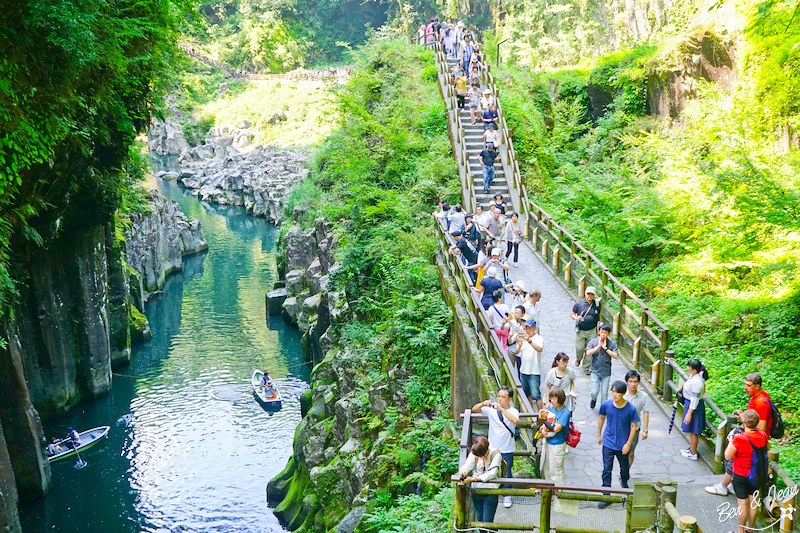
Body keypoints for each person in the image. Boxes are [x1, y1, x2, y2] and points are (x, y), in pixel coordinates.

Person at [705, 372, 773, 496]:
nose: (745, 387)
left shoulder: (761, 403)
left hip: (753, 439)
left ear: (757, 386)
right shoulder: (756, 397)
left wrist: (744, 420)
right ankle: (730, 484)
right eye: (745, 384)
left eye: (748, 385)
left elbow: (761, 427)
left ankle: (723, 486)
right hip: (751, 437)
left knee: (734, 460)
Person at [473, 387, 520, 509]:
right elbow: (475, 409)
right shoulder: (491, 410)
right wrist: (483, 403)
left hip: (507, 448)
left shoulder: (513, 411)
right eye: (499, 396)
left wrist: (502, 410)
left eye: (503, 397)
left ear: (509, 399)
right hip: (492, 448)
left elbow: (515, 420)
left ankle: (507, 495)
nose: (500, 399)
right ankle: (492, 493)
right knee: (491, 470)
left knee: (507, 472)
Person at [597, 381, 640, 508]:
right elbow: (601, 418)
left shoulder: (630, 409)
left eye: (618, 392)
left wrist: (628, 444)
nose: (615, 394)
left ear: (624, 394)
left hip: (622, 443)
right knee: (606, 469)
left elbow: (634, 426)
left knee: (624, 467)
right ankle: (606, 494)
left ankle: (624, 481)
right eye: (613, 391)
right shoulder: (606, 405)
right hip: (608, 442)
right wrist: (599, 434)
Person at [725, 409, 768, 533]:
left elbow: (728, 456)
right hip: (756, 474)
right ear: (757, 422)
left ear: (744, 421)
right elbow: (766, 448)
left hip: (740, 473)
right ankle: (750, 530)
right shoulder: (763, 435)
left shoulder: (739, 439)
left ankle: (740, 531)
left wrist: (731, 442)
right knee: (753, 502)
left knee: (742, 503)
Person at [458, 436, 502, 529]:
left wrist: (473, 479)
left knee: (487, 520)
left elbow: (492, 473)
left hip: (491, 490)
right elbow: (467, 466)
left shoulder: (495, 454)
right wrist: (463, 470)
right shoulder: (476, 452)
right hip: (476, 489)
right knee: (479, 518)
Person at [676, 359, 707, 461]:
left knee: (694, 430)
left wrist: (689, 413)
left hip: (694, 407)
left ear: (694, 370)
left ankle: (693, 453)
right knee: (691, 430)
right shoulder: (693, 376)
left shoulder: (698, 382)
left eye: (689, 366)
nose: (687, 367)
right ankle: (691, 449)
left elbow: (694, 400)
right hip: (690, 404)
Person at [540, 387, 571, 485]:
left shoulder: (565, 413)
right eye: (551, 398)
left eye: (554, 399)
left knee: (556, 470)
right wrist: (542, 430)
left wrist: (544, 421)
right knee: (548, 468)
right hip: (548, 442)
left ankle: (559, 491)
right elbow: (547, 424)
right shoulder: (553, 408)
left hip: (558, 444)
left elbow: (556, 428)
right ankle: (550, 491)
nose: (552, 401)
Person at [587, 324, 618, 408]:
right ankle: (593, 399)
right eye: (602, 332)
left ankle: (603, 409)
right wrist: (598, 346)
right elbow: (588, 353)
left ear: (608, 333)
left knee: (604, 392)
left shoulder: (612, 343)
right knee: (594, 391)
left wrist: (605, 348)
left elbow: (615, 355)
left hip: (606, 371)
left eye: (605, 332)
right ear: (599, 332)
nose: (603, 334)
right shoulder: (593, 341)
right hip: (595, 370)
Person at [571, 286, 601, 373]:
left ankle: (586, 367)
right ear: (585, 293)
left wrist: (599, 328)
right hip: (581, 330)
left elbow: (599, 316)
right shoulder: (579, 303)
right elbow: (572, 313)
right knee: (580, 348)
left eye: (592, 294)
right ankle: (578, 358)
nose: (590, 296)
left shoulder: (597, 304)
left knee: (590, 349)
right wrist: (576, 318)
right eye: (588, 294)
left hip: (592, 330)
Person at [623, 370, 649, 467]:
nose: (633, 384)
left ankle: (626, 470)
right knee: (622, 451)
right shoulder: (622, 395)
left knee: (631, 452)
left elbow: (646, 412)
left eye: (635, 381)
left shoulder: (643, 396)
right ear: (627, 382)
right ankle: (623, 469)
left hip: (635, 428)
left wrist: (645, 430)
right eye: (631, 381)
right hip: (622, 428)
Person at [516, 319, 543, 409]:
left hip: (534, 371)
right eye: (526, 328)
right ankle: (530, 414)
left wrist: (529, 340)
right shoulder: (522, 337)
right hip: (523, 370)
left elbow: (539, 349)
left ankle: (540, 415)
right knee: (526, 394)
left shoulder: (539, 338)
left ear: (534, 328)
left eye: (530, 328)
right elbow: (516, 352)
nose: (528, 330)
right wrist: (519, 345)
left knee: (536, 395)